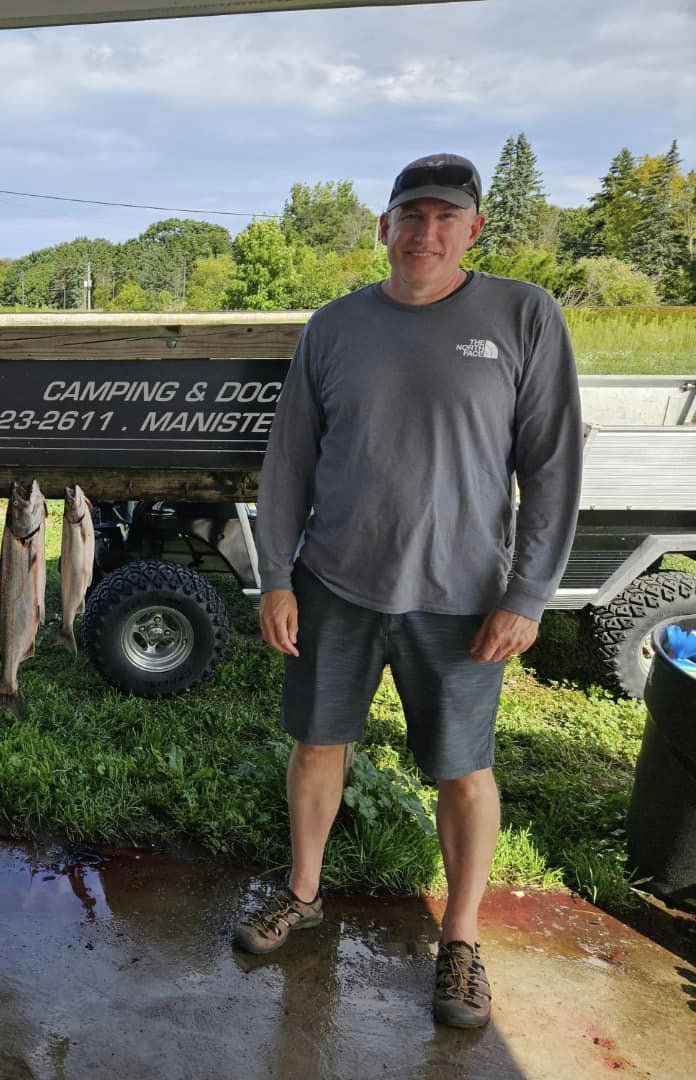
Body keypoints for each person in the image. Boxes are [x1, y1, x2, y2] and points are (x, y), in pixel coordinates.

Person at [237, 155, 582, 1029]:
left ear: (474, 230)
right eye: (411, 215)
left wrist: (529, 592)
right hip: (335, 585)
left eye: (446, 217)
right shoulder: (335, 326)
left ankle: (462, 942)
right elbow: (289, 463)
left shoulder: (522, 315)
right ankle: (303, 893)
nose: (426, 232)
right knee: (318, 746)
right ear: (383, 228)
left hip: (463, 598)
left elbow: (550, 468)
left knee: (463, 772)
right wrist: (276, 576)